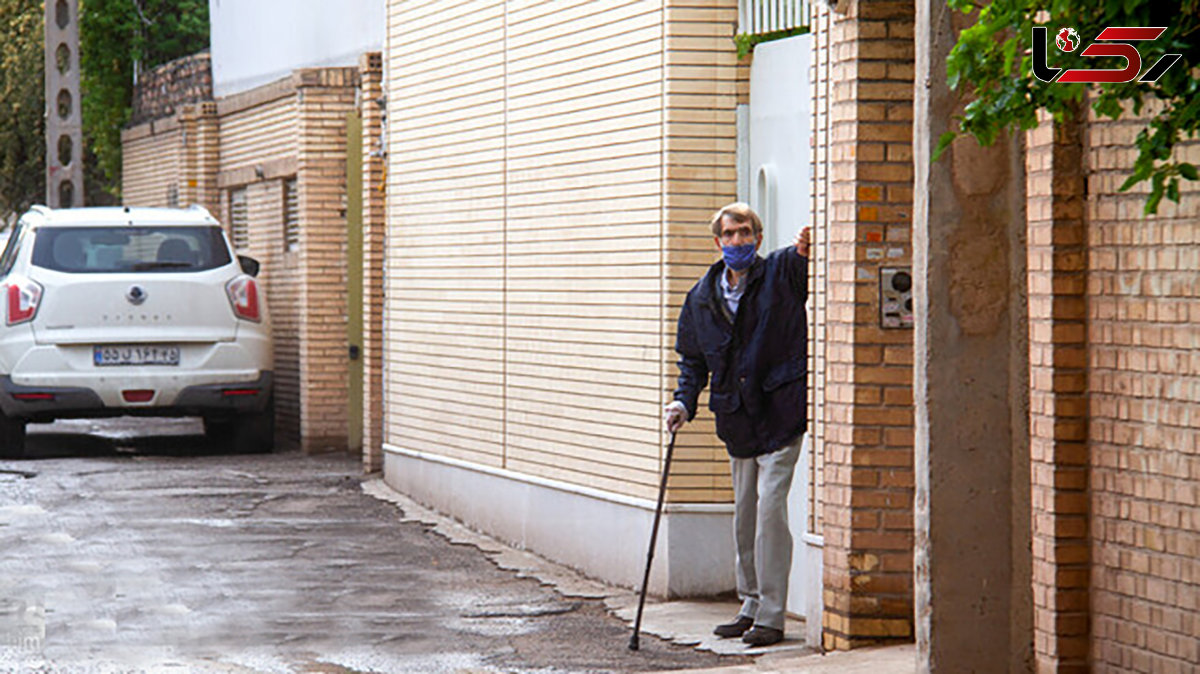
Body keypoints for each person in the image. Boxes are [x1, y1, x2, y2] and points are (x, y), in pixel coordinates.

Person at [664, 202, 809, 647]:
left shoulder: (782, 273)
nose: (738, 241)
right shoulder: (701, 298)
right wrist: (682, 403)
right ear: (718, 241)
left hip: (780, 413)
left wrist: (807, 247)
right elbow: (692, 362)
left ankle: (771, 614)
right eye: (730, 234)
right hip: (737, 419)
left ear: (758, 239)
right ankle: (749, 604)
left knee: (769, 512)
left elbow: (806, 262)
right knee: (744, 516)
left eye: (746, 232)